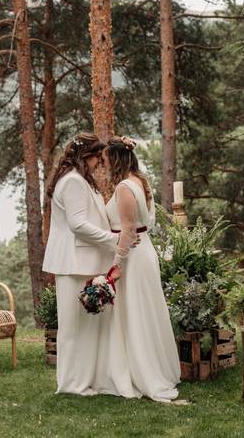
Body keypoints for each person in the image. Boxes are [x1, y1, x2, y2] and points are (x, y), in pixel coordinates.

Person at [97, 136, 181, 402]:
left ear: (117, 159)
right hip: (145, 250)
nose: (105, 164)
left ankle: (142, 372)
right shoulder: (142, 182)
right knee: (143, 311)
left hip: (132, 256)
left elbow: (129, 228)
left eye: (107, 159)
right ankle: (146, 366)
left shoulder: (124, 187)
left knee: (134, 312)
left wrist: (116, 264)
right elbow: (149, 222)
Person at [42, 133, 119, 395]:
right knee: (72, 327)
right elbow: (77, 225)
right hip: (73, 261)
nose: (100, 161)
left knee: (86, 327)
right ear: (85, 156)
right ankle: (71, 384)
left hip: (85, 261)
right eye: (97, 155)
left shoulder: (82, 181)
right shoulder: (73, 182)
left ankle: (85, 379)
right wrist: (113, 240)